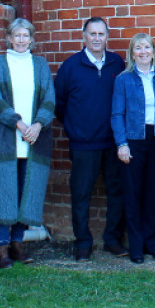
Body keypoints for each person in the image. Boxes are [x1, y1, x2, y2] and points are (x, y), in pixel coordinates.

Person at [0, 18, 56, 269]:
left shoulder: (40, 64)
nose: (21, 39)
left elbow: (50, 98)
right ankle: (2, 247)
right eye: (17, 35)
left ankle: (18, 244)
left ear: (32, 38)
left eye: (26, 35)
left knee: (26, 192)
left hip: (34, 141)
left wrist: (37, 125)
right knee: (5, 192)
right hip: (7, 139)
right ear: (9, 37)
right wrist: (19, 124)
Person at [54, 16, 126, 261]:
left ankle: (112, 240)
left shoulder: (117, 63)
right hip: (83, 143)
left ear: (107, 36)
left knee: (117, 192)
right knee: (81, 194)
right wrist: (77, 128)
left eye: (101, 34)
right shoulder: (70, 66)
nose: (97, 38)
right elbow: (59, 104)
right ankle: (83, 242)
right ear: (84, 36)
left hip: (114, 142)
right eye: (92, 34)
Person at [111, 32, 155, 263]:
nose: (143, 52)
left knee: (153, 195)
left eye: (147, 47)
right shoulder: (123, 80)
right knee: (133, 195)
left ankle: (152, 246)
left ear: (154, 52)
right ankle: (136, 248)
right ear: (132, 53)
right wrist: (122, 144)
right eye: (138, 48)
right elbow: (117, 114)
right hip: (133, 140)